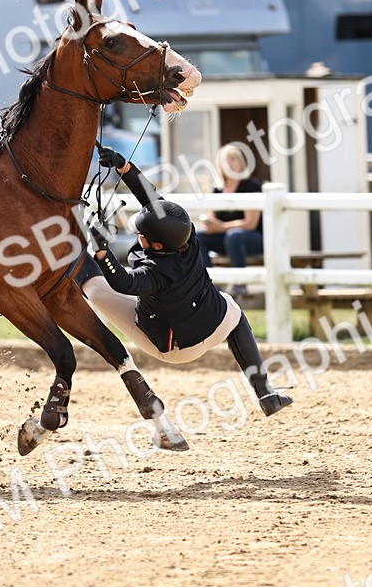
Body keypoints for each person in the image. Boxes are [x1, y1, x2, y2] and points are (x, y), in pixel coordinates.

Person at [75, 146, 293, 417]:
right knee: (234, 313)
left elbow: (124, 284)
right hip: (213, 323)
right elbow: (153, 199)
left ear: (154, 243)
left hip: (174, 348)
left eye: (140, 235)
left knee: (95, 290)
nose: (137, 237)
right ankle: (266, 393)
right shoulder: (186, 238)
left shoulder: (156, 272)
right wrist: (124, 167)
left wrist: (103, 253)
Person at [198, 144, 264, 280]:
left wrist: (222, 227)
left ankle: (240, 284)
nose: (228, 163)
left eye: (232, 159)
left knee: (233, 236)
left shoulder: (251, 186)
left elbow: (250, 224)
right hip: (225, 238)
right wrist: (210, 224)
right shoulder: (218, 189)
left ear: (241, 162)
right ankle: (209, 283)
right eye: (224, 161)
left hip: (252, 238)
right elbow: (212, 214)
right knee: (197, 236)